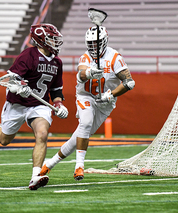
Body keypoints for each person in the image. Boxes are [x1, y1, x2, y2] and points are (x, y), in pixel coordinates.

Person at [40, 26, 135, 181]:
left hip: (105, 103)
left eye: (96, 42)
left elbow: (129, 82)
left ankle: (49, 163)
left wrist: (111, 94)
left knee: (80, 135)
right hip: (86, 95)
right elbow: (81, 75)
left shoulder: (115, 58)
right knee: (85, 123)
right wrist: (89, 73)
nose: (93, 46)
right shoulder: (85, 57)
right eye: (90, 43)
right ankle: (79, 167)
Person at [0, 23, 69, 190]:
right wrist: (19, 87)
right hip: (17, 104)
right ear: (41, 40)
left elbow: (56, 90)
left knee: (42, 134)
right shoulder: (28, 55)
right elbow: (9, 79)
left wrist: (59, 104)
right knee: (5, 140)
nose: (55, 43)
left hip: (39, 104)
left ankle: (35, 176)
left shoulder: (57, 62)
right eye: (52, 39)